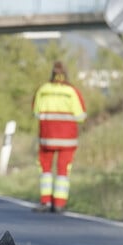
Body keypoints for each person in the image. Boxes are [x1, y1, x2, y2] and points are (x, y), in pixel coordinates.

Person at [31, 61, 87, 213]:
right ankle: (59, 203)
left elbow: (35, 112)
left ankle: (45, 201)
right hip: (67, 139)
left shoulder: (43, 90)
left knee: (45, 169)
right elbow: (81, 115)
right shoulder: (72, 92)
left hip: (47, 137)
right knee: (63, 171)